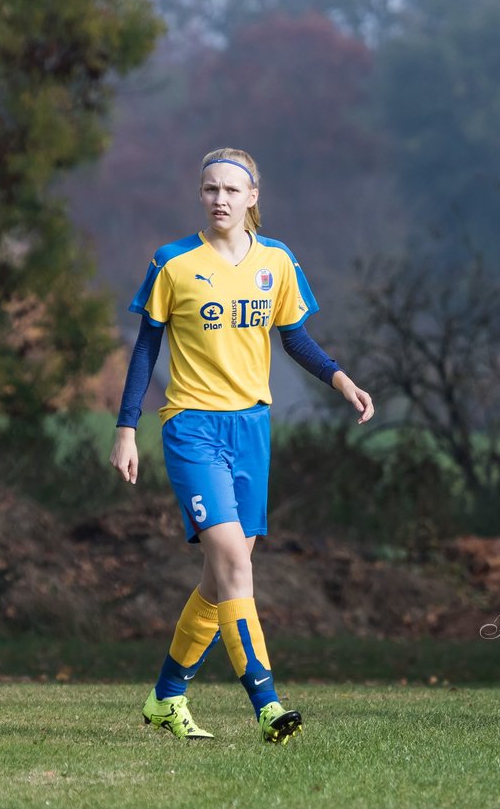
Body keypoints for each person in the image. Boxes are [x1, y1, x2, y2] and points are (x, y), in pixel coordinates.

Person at [110, 147, 374, 743]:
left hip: (251, 428)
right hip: (191, 427)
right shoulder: (173, 262)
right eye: (209, 190)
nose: (220, 199)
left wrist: (341, 378)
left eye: (231, 190)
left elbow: (295, 337)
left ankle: (166, 698)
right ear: (199, 196)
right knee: (232, 561)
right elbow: (145, 349)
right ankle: (268, 703)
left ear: (253, 195)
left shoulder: (277, 261)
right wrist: (127, 428)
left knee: (220, 576)